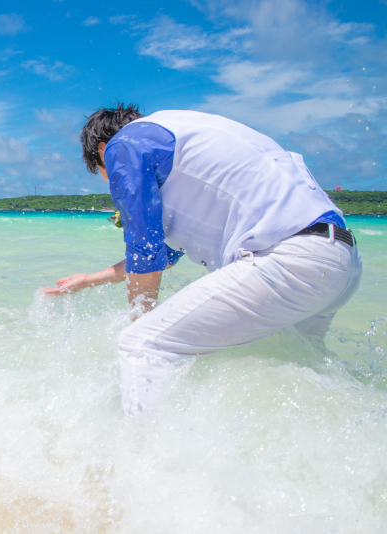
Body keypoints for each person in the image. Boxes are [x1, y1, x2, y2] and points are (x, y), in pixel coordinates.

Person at [43, 105, 362, 418]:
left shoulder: (124, 145)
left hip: (290, 258)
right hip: (338, 261)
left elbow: (145, 249)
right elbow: (166, 254)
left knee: (139, 345)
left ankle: (140, 461)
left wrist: (142, 324)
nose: (112, 182)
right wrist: (90, 279)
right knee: (290, 367)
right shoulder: (185, 136)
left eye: (104, 173)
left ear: (102, 149)